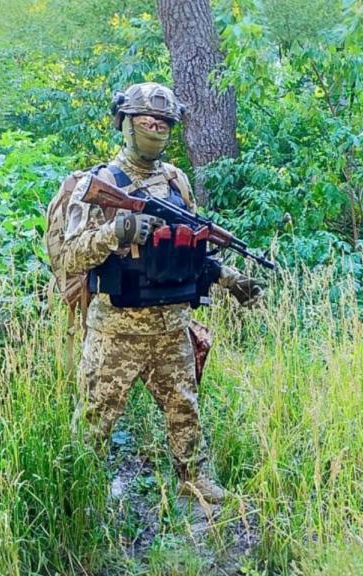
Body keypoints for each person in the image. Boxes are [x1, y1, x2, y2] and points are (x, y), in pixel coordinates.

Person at [62, 82, 263, 503]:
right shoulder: (95, 184)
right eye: (146, 121)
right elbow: (68, 257)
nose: (155, 128)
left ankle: (196, 481)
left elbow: (189, 251)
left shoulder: (177, 182)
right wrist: (115, 231)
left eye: (163, 123)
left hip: (172, 326)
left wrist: (231, 279)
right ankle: (79, 497)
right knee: (95, 420)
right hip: (115, 330)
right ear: (126, 124)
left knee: (184, 409)